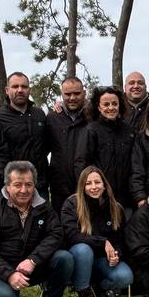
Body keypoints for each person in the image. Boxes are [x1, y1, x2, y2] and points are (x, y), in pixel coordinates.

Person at [0, 161, 72, 297]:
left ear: (34, 185)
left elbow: (56, 234)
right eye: (18, 185)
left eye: (29, 184)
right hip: (3, 268)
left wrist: (33, 260)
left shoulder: (44, 207)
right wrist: (9, 274)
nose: (24, 190)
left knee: (64, 258)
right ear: (7, 186)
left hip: (33, 265)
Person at [59, 166, 133, 297]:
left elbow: (121, 240)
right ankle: (84, 295)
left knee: (125, 278)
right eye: (88, 183)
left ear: (104, 185)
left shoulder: (116, 208)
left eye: (97, 182)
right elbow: (71, 235)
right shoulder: (72, 204)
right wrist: (102, 241)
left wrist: (116, 254)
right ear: (82, 186)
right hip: (79, 257)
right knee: (83, 249)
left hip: (102, 260)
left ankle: (97, 288)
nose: (94, 187)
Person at [73, 86, 137, 210]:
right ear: (99, 107)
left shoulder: (129, 131)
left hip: (127, 200)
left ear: (120, 105)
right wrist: (89, 192)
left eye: (114, 103)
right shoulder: (91, 130)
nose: (111, 108)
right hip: (100, 199)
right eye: (106, 104)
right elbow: (81, 164)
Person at [0, 71, 50, 197]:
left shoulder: (39, 114)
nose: (20, 90)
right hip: (13, 187)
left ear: (29, 90)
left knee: (41, 217)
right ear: (7, 90)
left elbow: (47, 145)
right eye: (15, 86)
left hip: (39, 185)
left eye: (24, 86)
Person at [45, 76, 89, 205]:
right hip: (60, 187)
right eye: (68, 94)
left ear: (84, 93)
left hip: (88, 186)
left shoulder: (93, 117)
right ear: (61, 94)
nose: (72, 98)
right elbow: (43, 149)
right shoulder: (52, 117)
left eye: (77, 93)